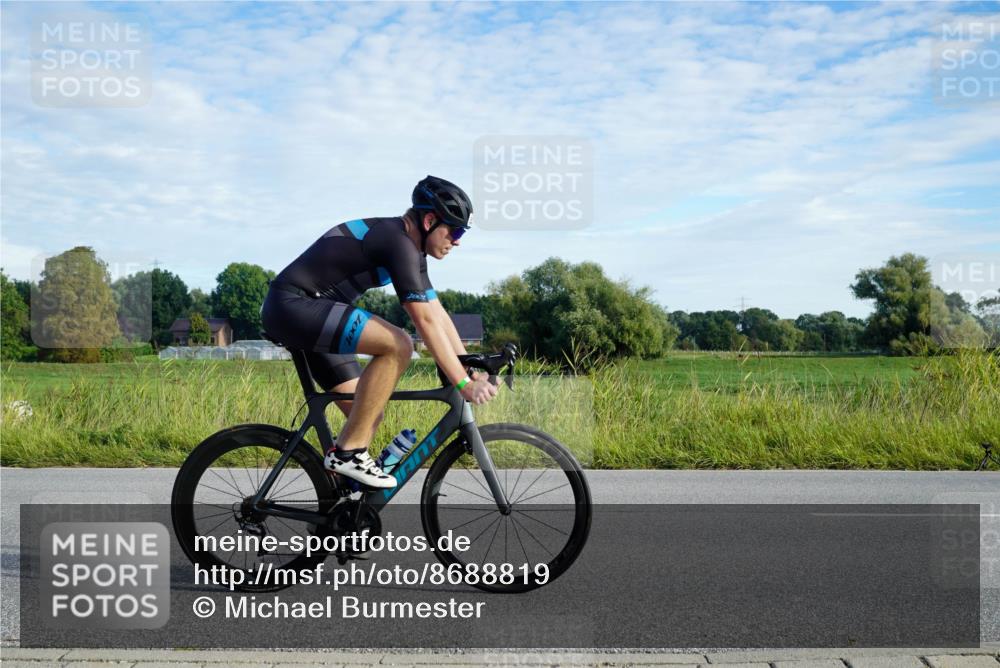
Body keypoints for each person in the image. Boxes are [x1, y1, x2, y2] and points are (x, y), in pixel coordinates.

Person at [261, 176, 498, 489]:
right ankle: (347, 455)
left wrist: (467, 365)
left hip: (310, 314)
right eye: (454, 230)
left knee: (368, 413)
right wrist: (463, 383)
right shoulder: (396, 241)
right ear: (429, 220)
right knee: (398, 344)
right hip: (294, 306)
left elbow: (437, 314)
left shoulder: (412, 250)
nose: (457, 241)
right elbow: (423, 323)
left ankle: (340, 509)